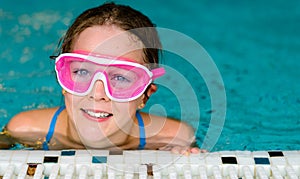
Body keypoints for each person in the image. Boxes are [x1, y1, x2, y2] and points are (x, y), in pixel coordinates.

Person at [1, 2, 203, 154]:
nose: (98, 94)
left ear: (145, 95)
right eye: (82, 72)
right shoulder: (24, 130)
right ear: (62, 80)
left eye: (121, 78)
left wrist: (183, 159)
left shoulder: (173, 138)